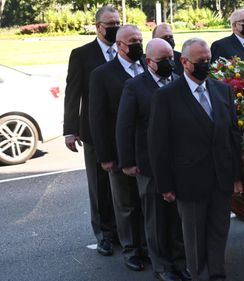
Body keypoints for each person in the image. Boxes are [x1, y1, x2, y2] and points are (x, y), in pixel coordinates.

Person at [148, 38, 243, 281]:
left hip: (221, 179)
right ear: (184, 62)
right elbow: (159, 145)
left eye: (208, 60)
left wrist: (236, 176)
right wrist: (165, 185)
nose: (206, 65)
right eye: (201, 61)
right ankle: (199, 276)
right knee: (194, 238)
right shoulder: (167, 96)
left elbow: (233, 136)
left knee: (219, 233)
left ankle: (217, 275)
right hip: (189, 182)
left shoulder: (223, 90)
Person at [115, 38, 190, 281]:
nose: (169, 63)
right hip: (148, 164)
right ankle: (162, 266)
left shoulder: (180, 82)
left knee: (178, 218)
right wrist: (127, 161)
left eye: (171, 58)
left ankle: (180, 261)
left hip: (178, 163)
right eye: (162, 60)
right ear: (148, 62)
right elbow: (124, 127)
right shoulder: (135, 86)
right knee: (156, 218)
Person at [89, 24, 147, 272]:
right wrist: (105, 156)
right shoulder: (103, 74)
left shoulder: (147, 65)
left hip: (148, 150)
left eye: (140, 39)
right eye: (132, 41)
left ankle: (148, 246)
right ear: (119, 45)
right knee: (126, 204)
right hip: (118, 151)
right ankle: (131, 249)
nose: (137, 44)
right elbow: (97, 118)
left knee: (148, 203)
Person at [63, 5, 119, 257]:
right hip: (94, 132)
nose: (115, 28)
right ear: (98, 27)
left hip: (124, 131)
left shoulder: (127, 49)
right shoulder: (82, 54)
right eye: (110, 24)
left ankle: (124, 231)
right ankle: (104, 234)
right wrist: (70, 130)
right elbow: (72, 94)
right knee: (100, 186)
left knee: (125, 186)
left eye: (118, 22)